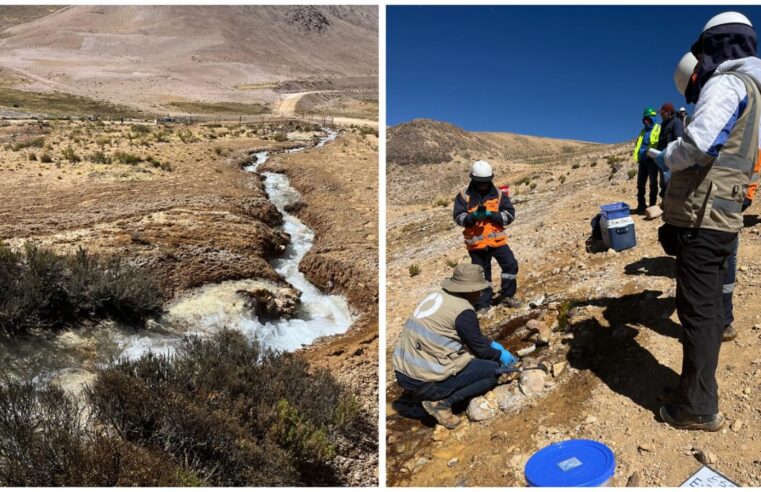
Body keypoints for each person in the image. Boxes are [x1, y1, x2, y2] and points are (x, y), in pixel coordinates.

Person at [655, 12, 761, 431]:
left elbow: (699, 143)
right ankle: (696, 388)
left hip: (702, 216)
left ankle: (698, 404)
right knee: (712, 307)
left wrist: (665, 157)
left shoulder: (727, 83)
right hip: (724, 216)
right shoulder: (755, 91)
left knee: (696, 310)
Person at [392, 264, 517, 428]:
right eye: (478, 289)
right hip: (424, 378)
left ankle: (423, 394)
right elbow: (480, 350)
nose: (480, 293)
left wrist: (492, 344)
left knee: (477, 363)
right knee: (492, 371)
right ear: (470, 290)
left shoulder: (438, 295)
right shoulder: (463, 311)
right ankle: (442, 403)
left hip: (403, 370)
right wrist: (501, 356)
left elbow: (470, 335)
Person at [453, 160, 520, 314]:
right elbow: (458, 217)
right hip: (476, 244)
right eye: (480, 182)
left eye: (486, 182)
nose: (483, 185)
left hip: (498, 242)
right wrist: (472, 218)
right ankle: (483, 304)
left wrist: (492, 215)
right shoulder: (463, 196)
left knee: (510, 265)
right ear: (473, 180)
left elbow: (509, 215)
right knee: (482, 275)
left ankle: (507, 296)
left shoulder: (499, 194)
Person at [633, 108, 662, 213]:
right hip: (642, 160)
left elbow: (660, 143)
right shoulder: (643, 131)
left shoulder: (658, 128)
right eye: (645, 119)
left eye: (648, 119)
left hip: (652, 160)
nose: (646, 121)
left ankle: (652, 206)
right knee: (640, 183)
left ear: (653, 118)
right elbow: (639, 143)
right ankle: (641, 205)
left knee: (653, 183)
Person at [657, 102, 684, 198]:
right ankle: (665, 204)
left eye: (662, 112)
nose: (661, 114)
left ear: (668, 112)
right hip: (662, 159)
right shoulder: (663, 125)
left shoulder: (676, 122)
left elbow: (679, 141)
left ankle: (670, 206)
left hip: (671, 160)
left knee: (669, 183)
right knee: (663, 184)